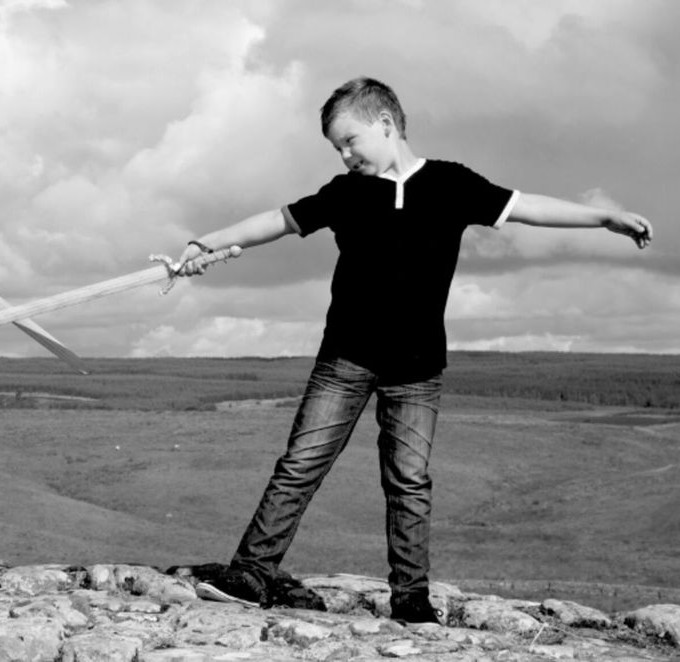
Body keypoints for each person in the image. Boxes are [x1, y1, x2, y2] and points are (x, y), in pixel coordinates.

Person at [175, 77, 653, 623]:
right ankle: (250, 575)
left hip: (418, 369)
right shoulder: (344, 192)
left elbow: (527, 207)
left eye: (350, 140)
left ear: (386, 124)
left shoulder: (451, 184)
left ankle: (411, 600)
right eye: (337, 147)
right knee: (300, 464)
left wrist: (605, 217)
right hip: (344, 359)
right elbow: (277, 221)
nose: (345, 153)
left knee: (409, 481)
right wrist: (204, 244)